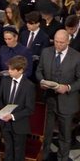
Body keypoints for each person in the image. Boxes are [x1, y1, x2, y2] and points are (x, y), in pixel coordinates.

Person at [36, 29, 80, 161]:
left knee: (64, 136)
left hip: (67, 102)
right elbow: (39, 70)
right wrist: (41, 81)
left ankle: (62, 158)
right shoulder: (46, 52)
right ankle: (42, 157)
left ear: (68, 41)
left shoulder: (77, 57)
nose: (58, 45)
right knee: (46, 133)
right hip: (48, 100)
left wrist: (68, 87)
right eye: (56, 41)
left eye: (61, 42)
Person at [0, 55, 36, 161]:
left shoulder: (29, 86)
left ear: (21, 71)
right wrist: (3, 112)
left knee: (18, 154)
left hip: (19, 125)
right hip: (5, 124)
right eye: (9, 68)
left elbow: (29, 109)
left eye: (12, 69)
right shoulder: (5, 81)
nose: (9, 71)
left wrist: (12, 116)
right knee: (8, 151)